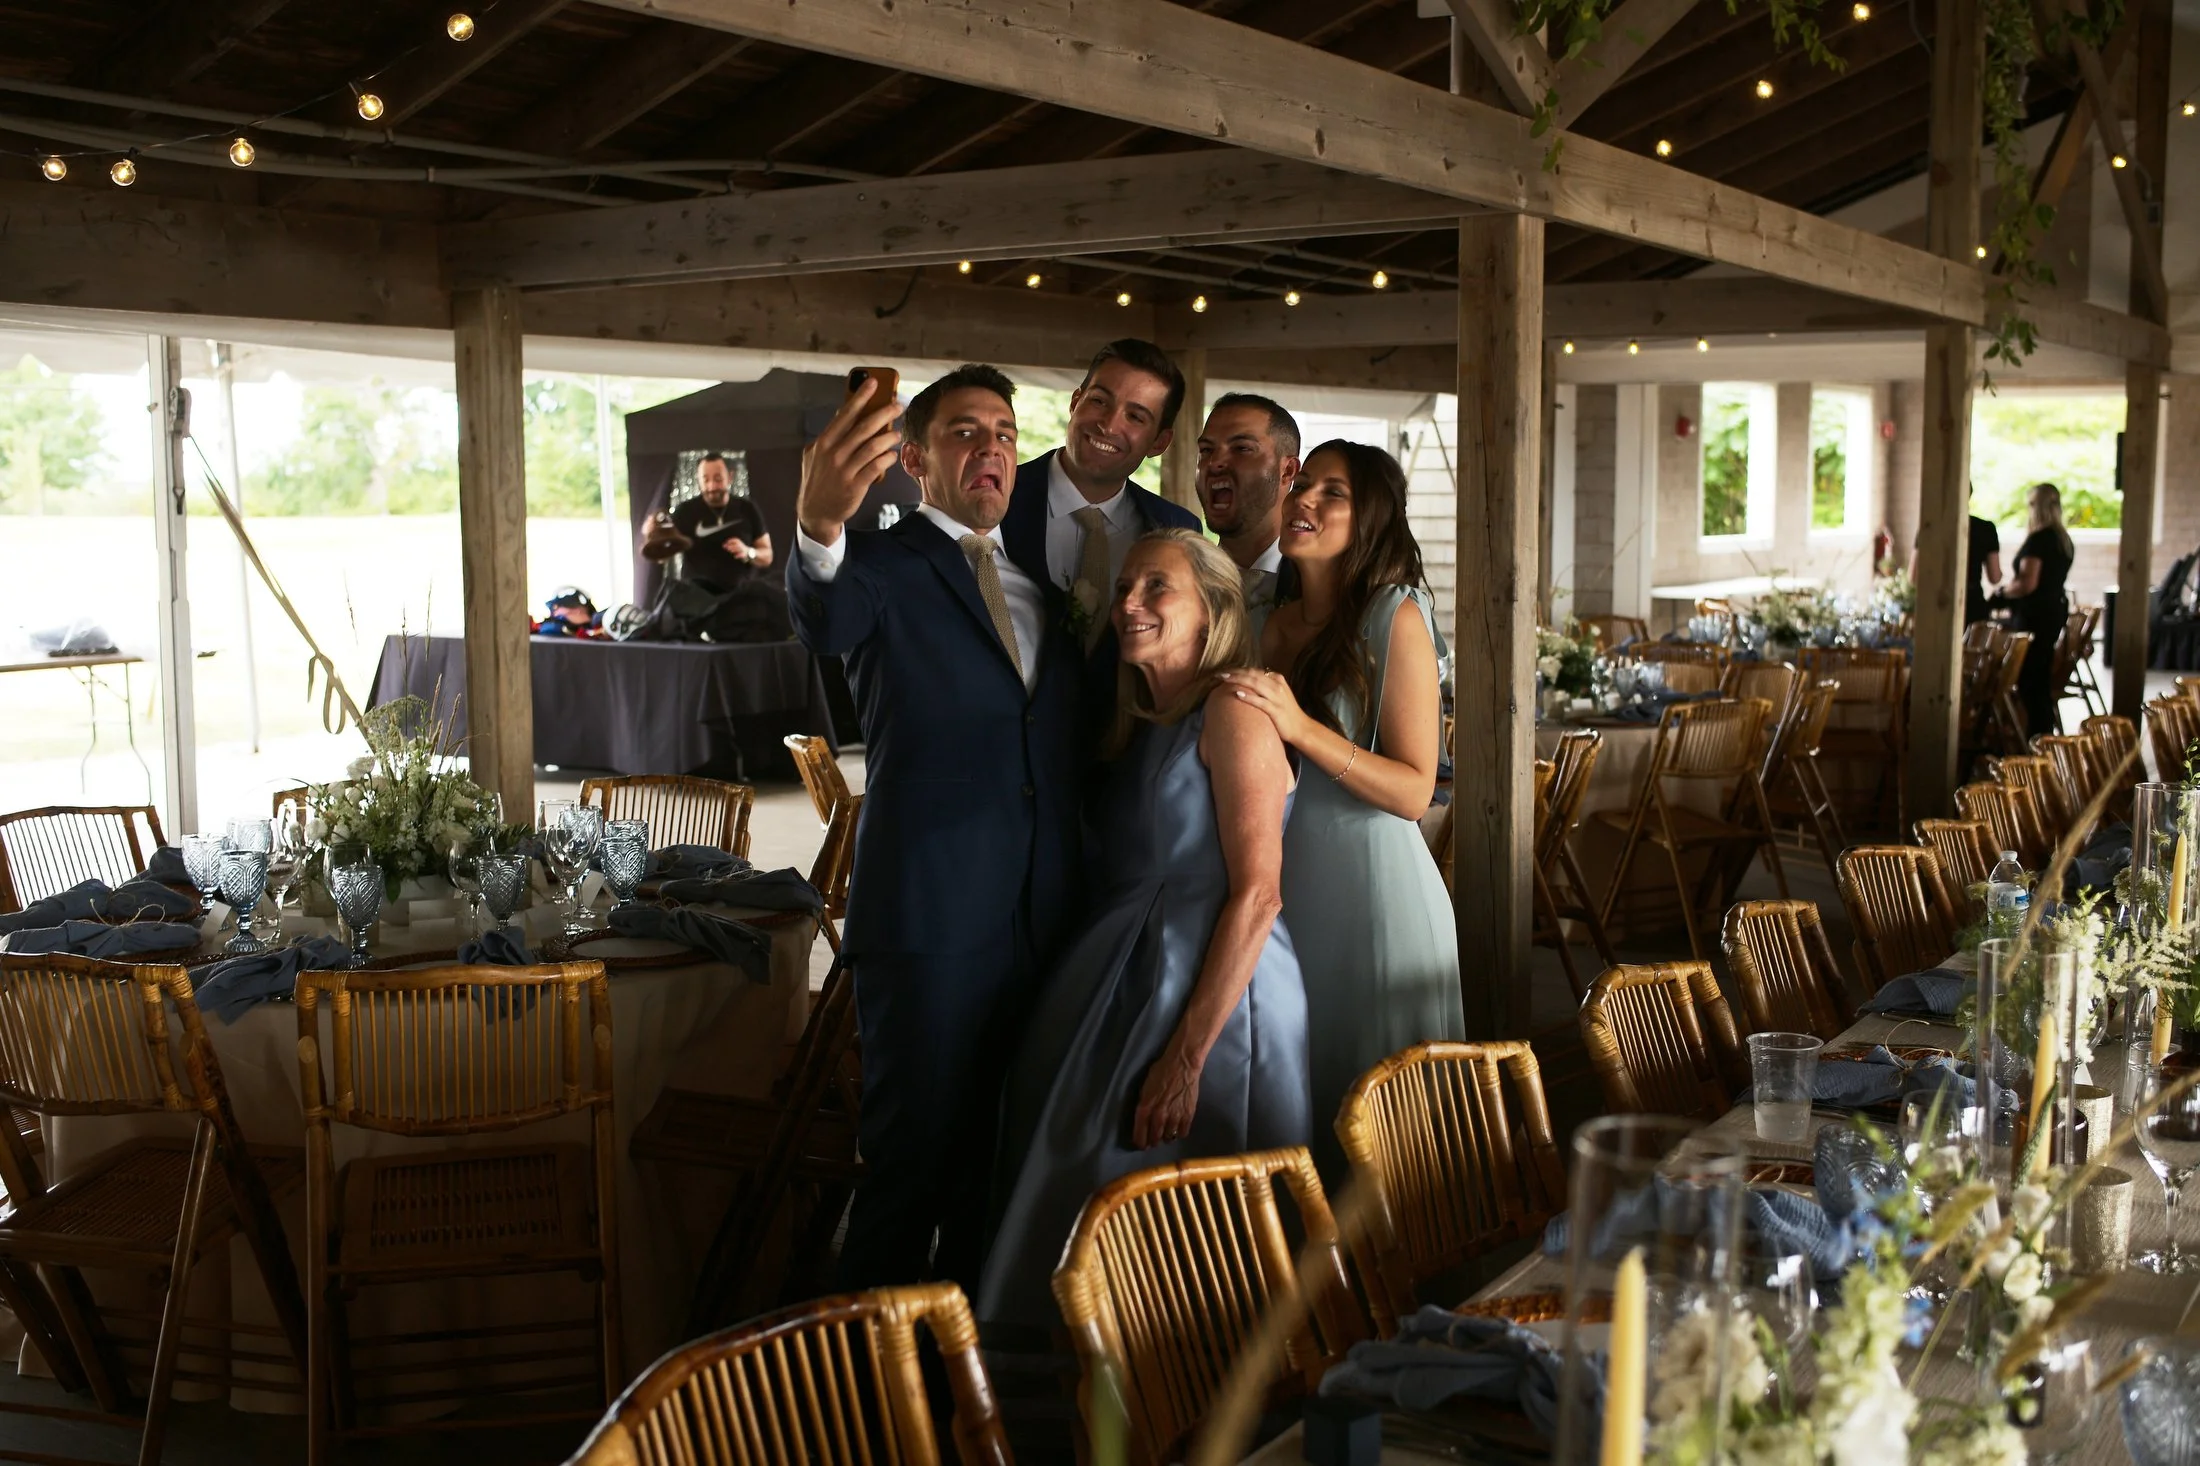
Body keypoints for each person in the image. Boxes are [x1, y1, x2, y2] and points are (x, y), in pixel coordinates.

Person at [786, 365, 1085, 1290]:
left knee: (997, 1171)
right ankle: (870, 1398)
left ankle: (966, 1382)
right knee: (909, 1169)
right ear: (914, 458)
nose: (990, 448)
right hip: (927, 928)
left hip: (1041, 926)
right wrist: (817, 526)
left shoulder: (1042, 591)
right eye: (964, 432)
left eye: (1003, 432)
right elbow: (826, 615)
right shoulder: (881, 569)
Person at [978, 529, 1306, 1328]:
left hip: (1216, 994)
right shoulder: (1145, 720)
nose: (1129, 603)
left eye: (1157, 587)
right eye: (1125, 586)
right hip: (1124, 976)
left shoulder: (1233, 710)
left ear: (1213, 610)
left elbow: (1260, 895)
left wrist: (1188, 1055)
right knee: (1092, 1181)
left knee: (1188, 1208)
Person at [1221, 440, 1462, 1182]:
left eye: (1334, 493)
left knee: (1377, 1129)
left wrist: (1302, 728)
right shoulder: (1261, 610)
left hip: (1373, 896)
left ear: (1372, 520)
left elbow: (1416, 791)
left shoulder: (1396, 617)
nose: (1305, 503)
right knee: (1295, 1097)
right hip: (1279, 892)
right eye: (1303, 486)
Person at [1000, 340, 1202, 710]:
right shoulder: (999, 501)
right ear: (1076, 402)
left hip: (1126, 752)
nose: (1109, 424)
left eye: (1136, 417)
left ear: (1159, 441)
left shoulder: (1177, 528)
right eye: (1099, 401)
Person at [1195, 392, 1303, 635]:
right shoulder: (1183, 578)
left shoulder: (1318, 587)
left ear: (1287, 471)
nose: (1214, 463)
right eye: (1206, 450)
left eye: (1242, 449)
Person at [1991, 481, 2076, 736]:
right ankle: (2040, 735)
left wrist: (2002, 593)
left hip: (2036, 617)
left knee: (2031, 679)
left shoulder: (2040, 539)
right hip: (2053, 612)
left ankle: (2037, 737)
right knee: (2038, 676)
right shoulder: (2062, 539)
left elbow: (2028, 583)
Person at [648, 452, 773, 591]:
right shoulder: (685, 511)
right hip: (696, 601)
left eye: (718, 479)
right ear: (698, 480)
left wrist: (749, 553)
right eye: (705, 480)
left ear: (730, 477)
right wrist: (652, 534)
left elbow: (767, 556)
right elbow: (662, 555)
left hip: (739, 599)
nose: (712, 486)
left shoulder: (747, 509)